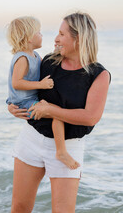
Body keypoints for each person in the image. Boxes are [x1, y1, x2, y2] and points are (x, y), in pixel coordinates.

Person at [8, 12, 111, 213]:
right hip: (32, 138)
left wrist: (51, 110)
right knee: (19, 207)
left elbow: (91, 117)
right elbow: (26, 90)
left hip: (68, 148)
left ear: (79, 38)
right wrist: (12, 106)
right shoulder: (48, 62)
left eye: (62, 34)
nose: (55, 39)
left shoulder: (98, 75)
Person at [6, 16, 80, 170]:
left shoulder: (35, 56)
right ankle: (61, 152)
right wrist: (41, 84)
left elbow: (44, 67)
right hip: (23, 102)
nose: (42, 35)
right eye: (38, 33)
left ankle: (60, 150)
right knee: (57, 113)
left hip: (29, 98)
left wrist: (57, 52)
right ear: (28, 38)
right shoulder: (22, 58)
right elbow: (16, 83)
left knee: (55, 110)